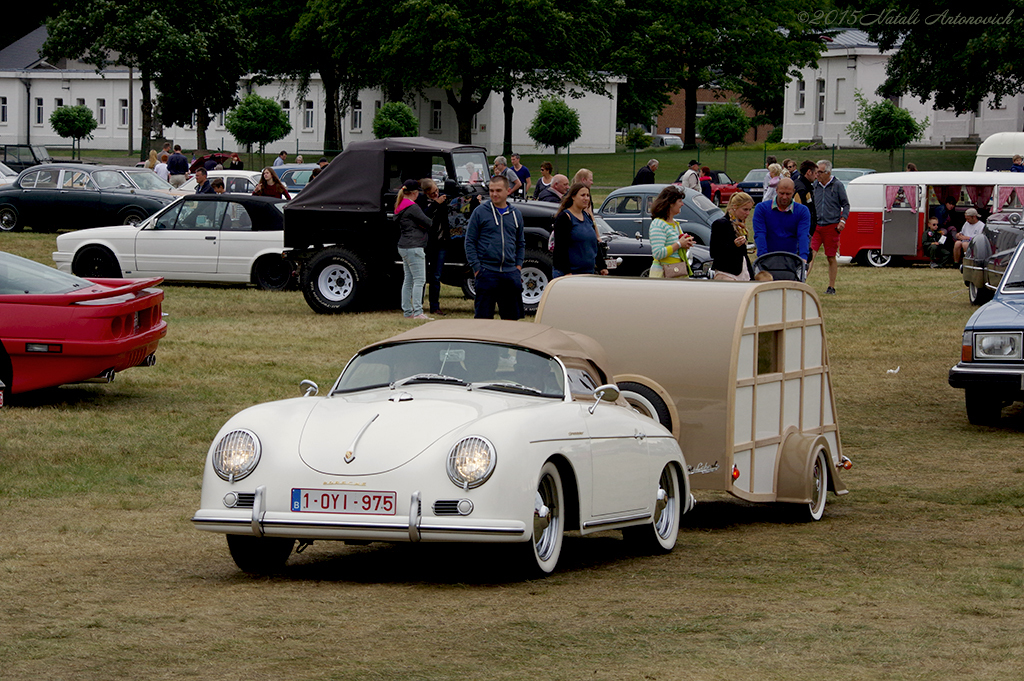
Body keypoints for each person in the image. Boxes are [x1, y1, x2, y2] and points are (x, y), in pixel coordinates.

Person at [464, 174, 525, 320]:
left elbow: (520, 242)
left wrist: (518, 267)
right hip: (487, 272)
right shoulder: (480, 212)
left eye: (498, 190)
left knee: (511, 321)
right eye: (491, 190)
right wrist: (477, 269)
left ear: (508, 191)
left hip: (510, 273)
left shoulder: (516, 214)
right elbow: (469, 241)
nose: (494, 194)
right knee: (483, 320)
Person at [809, 160, 850, 295]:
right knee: (810, 254)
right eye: (816, 172)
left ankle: (831, 286)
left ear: (828, 172)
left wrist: (842, 221)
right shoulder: (815, 185)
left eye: (820, 172)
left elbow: (846, 205)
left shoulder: (837, 185)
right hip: (816, 226)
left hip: (831, 227)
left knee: (830, 257)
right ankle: (802, 282)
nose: (817, 175)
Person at [394, 179, 433, 320]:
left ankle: (407, 311)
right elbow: (428, 222)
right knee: (419, 280)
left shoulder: (400, 205)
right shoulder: (413, 207)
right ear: (415, 193)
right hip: (414, 246)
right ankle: (418, 312)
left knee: (408, 280)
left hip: (404, 246)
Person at [552, 182, 607, 278]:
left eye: (588, 195)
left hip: (588, 273)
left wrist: (602, 266)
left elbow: (594, 244)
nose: (586, 198)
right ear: (573, 196)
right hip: (569, 274)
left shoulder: (587, 217)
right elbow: (560, 249)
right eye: (582, 195)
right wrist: (567, 272)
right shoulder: (565, 217)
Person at [752, 177, 811, 261]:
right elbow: (760, 234)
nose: (784, 197)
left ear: (793, 192)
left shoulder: (802, 211)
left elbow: (803, 235)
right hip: (768, 256)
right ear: (776, 190)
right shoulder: (762, 208)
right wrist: (763, 257)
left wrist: (803, 257)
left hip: (792, 257)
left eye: (788, 194)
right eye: (781, 193)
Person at [416, 177, 450, 316]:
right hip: (426, 242)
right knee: (421, 277)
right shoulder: (421, 202)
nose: (436, 194)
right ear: (425, 193)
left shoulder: (443, 199)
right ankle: (417, 305)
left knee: (436, 276)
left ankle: (435, 306)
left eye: (436, 191)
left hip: (441, 242)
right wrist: (435, 203)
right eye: (432, 193)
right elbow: (423, 216)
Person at [648, 185, 696, 278]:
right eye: (679, 201)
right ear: (670, 203)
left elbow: (677, 252)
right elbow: (658, 253)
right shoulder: (658, 224)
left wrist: (685, 244)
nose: (682, 204)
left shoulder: (676, 224)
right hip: (663, 274)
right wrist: (679, 244)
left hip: (678, 272)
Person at [711, 192, 756, 281]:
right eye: (745, 209)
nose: (747, 213)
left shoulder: (740, 227)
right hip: (726, 271)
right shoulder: (720, 224)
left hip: (742, 270)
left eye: (749, 210)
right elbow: (714, 252)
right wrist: (734, 245)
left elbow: (743, 254)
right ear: (735, 207)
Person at [792, 160, 818, 241]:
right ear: (809, 172)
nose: (816, 177)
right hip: (802, 231)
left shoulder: (804, 186)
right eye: (815, 173)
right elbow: (798, 212)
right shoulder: (801, 189)